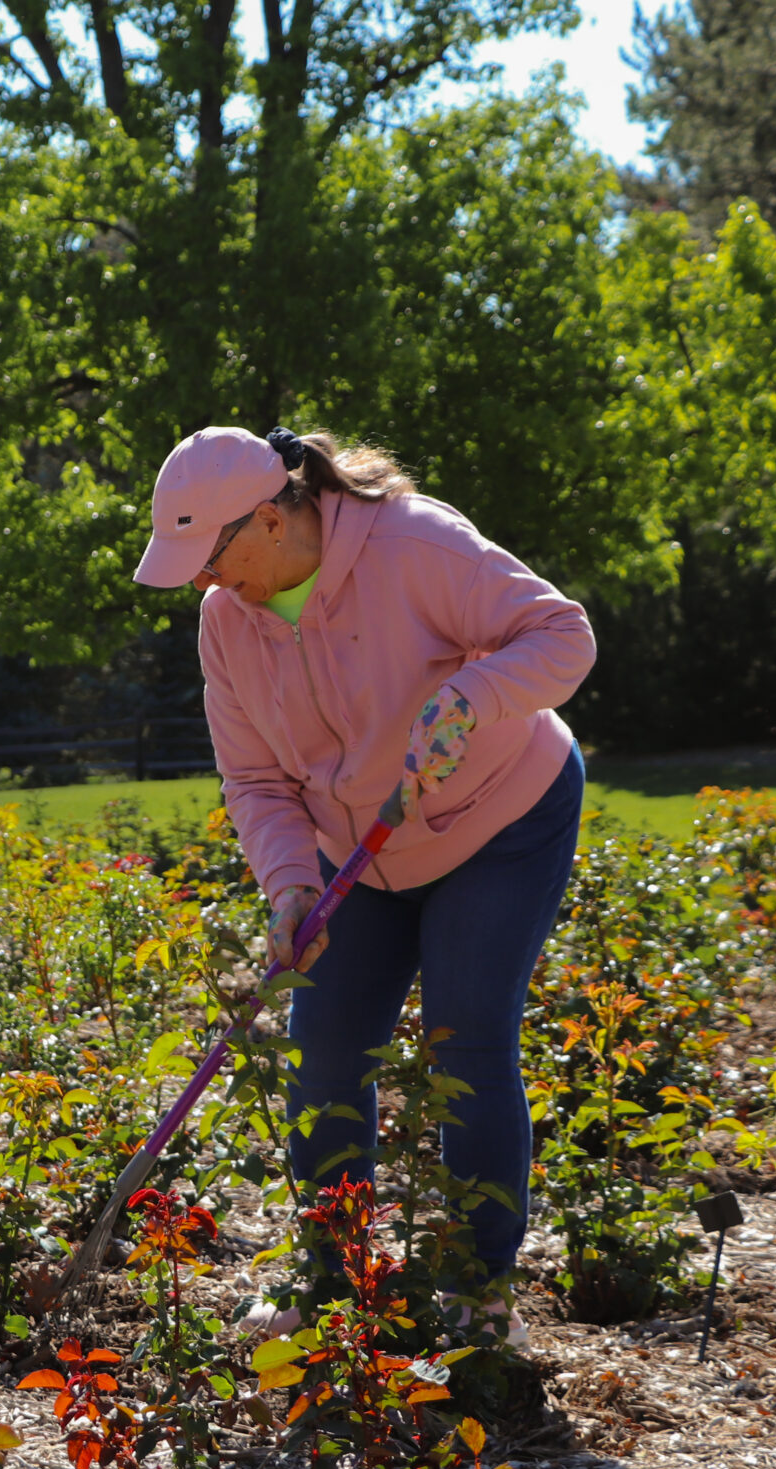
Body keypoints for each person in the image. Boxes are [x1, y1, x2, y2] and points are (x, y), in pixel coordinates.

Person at [133, 426, 596, 1344]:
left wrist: (475, 694)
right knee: (326, 1050)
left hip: (500, 818)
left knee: (464, 1039)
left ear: (269, 518)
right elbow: (257, 782)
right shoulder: (227, 620)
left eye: (209, 555)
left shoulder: (414, 543)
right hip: (359, 856)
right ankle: (333, 1275)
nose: (199, 580)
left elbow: (561, 634)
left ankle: (479, 1291)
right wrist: (289, 890)